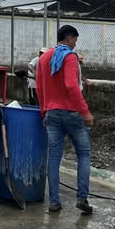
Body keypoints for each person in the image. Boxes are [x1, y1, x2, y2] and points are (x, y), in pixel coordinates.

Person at [36, 24, 94, 214]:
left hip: (52, 114)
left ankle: (54, 202)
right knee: (84, 154)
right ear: (68, 38)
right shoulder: (69, 57)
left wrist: (44, 112)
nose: (75, 44)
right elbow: (71, 85)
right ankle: (82, 198)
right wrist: (85, 112)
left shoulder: (44, 58)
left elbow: (39, 88)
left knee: (54, 157)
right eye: (75, 40)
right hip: (72, 114)